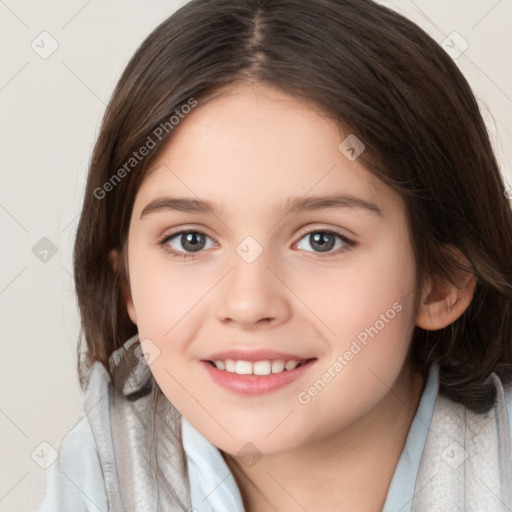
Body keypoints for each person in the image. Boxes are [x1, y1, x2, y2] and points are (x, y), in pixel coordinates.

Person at [37, 0, 512, 511]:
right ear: (127, 283)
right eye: (190, 240)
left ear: (440, 280)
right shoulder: (95, 477)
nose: (247, 303)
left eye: (321, 240)